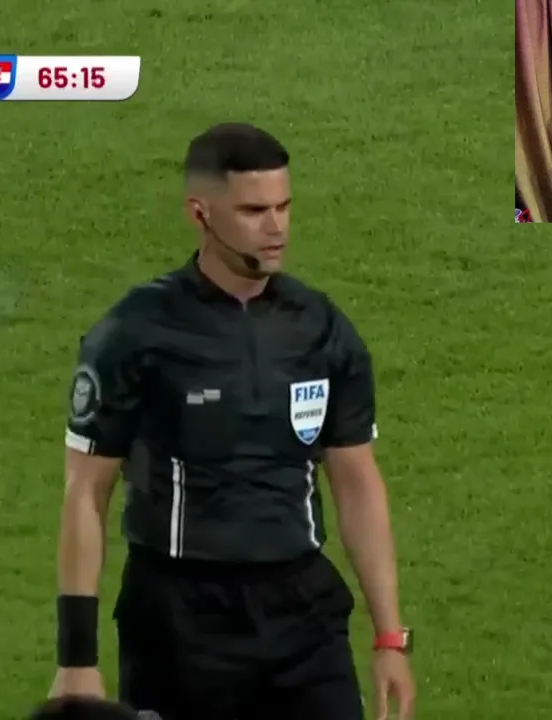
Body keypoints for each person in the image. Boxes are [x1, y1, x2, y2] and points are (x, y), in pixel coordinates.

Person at [48, 122, 416, 720]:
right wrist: (76, 658)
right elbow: (86, 492)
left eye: (284, 207)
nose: (276, 228)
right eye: (253, 211)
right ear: (201, 214)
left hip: (304, 614)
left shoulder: (321, 329)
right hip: (181, 621)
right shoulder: (136, 333)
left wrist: (389, 636)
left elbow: (357, 483)